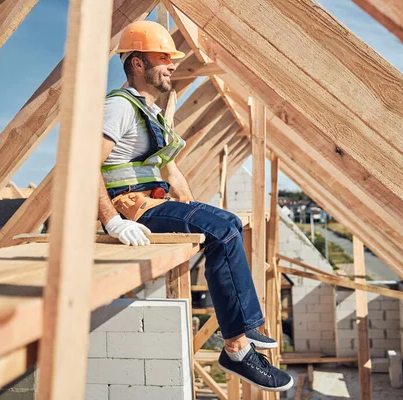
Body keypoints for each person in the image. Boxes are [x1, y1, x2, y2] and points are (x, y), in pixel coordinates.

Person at [97, 20, 293, 392]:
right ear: (137, 63)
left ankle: (245, 327)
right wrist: (112, 223)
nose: (172, 65)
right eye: (162, 58)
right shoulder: (118, 108)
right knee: (221, 230)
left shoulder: (147, 110)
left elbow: (165, 164)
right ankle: (238, 348)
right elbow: (83, 163)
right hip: (133, 211)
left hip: (152, 202)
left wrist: (184, 193)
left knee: (229, 222)